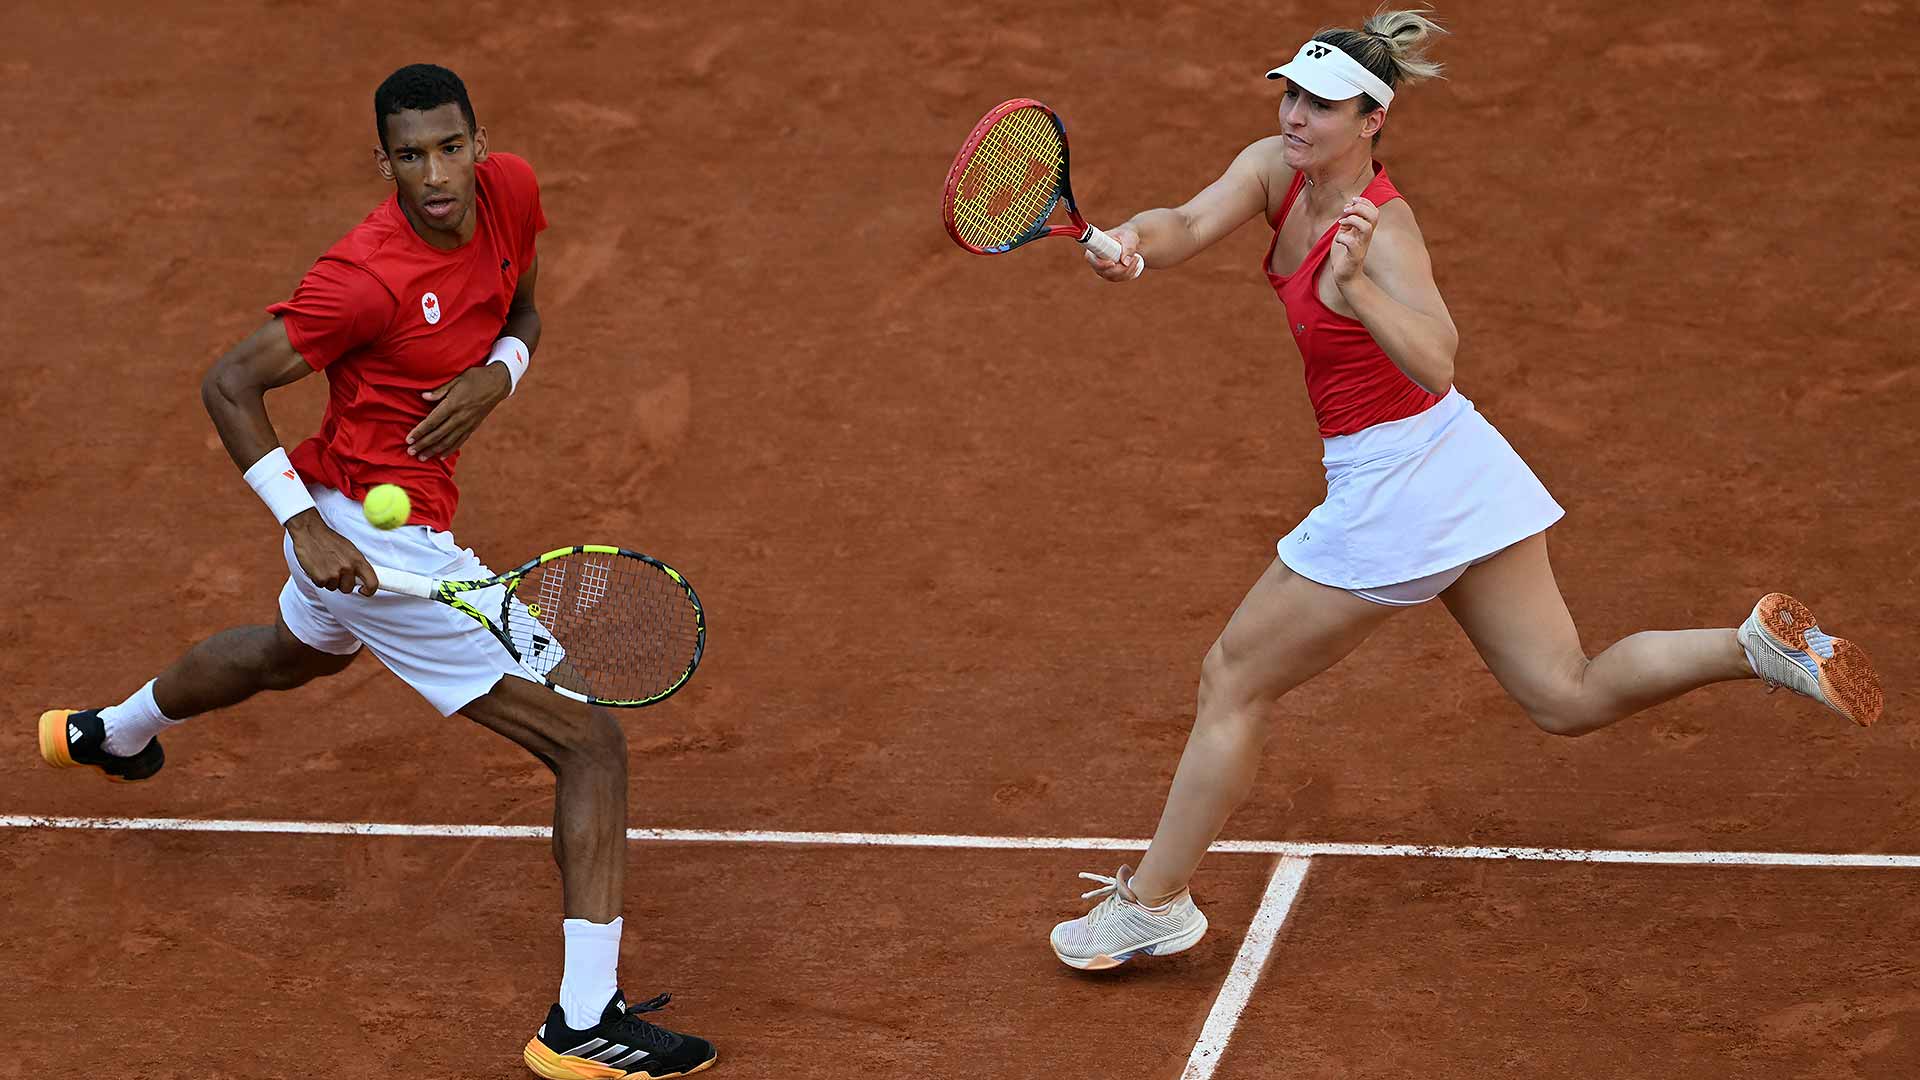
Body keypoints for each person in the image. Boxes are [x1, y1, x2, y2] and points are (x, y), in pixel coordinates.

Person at [1047, 9, 1884, 971]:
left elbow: (1438, 360)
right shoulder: (1277, 168)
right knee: (1563, 694)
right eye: (1291, 94)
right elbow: (1189, 220)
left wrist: (1355, 290)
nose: (1296, 116)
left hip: (1400, 478)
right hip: (1458, 467)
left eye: (1322, 105)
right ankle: (1750, 645)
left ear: (1372, 122)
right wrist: (1130, 242)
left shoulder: (1387, 232)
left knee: (1233, 677)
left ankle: (1152, 902)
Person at [35, 64, 718, 1078]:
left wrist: (497, 376)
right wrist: (304, 524)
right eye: (409, 155)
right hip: (376, 541)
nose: (434, 174)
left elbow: (523, 315)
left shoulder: (514, 194)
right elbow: (228, 384)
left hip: (376, 531)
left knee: (289, 655)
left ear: (481, 143)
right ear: (384, 160)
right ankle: (584, 1022)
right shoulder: (362, 277)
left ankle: (105, 732)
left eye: (450, 148)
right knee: (589, 745)